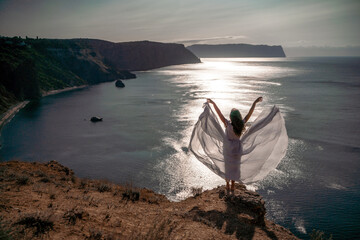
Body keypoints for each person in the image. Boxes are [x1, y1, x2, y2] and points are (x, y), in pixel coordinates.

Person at [207, 97, 263, 193]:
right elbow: (250, 112)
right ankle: (233, 185)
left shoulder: (227, 124)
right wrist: (255, 102)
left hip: (228, 148)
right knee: (235, 167)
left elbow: (218, 113)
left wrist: (213, 103)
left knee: (227, 166)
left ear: (231, 117)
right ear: (238, 116)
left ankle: (227, 185)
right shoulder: (241, 124)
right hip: (237, 149)